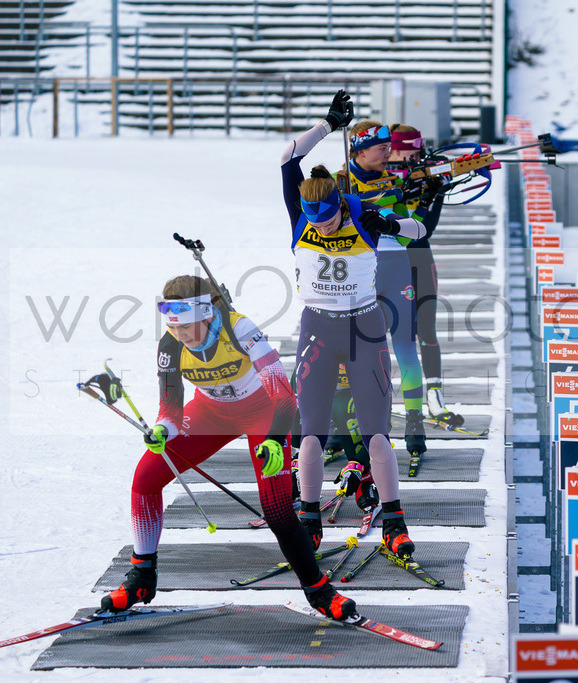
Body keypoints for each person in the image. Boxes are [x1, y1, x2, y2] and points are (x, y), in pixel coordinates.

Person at [100, 275, 355, 621]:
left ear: (207, 315)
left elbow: (283, 396)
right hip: (210, 414)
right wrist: (162, 429)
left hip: (263, 415)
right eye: (174, 327)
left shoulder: (240, 330)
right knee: (146, 476)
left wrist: (276, 441)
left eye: (188, 326)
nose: (182, 335)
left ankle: (318, 589)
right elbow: (171, 410)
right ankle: (142, 576)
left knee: (277, 508)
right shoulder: (169, 344)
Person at [281, 91, 425, 559]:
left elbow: (420, 234)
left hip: (364, 329)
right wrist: (327, 126)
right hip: (318, 329)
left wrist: (399, 219)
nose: (321, 228)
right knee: (311, 433)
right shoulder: (303, 210)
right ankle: (308, 515)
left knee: (377, 433)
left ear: (342, 206)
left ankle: (394, 521)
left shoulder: (361, 213)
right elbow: (290, 158)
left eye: (330, 219)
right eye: (314, 222)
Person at [346, 120, 429, 458]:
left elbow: (416, 232)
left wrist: (403, 215)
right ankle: (348, 422)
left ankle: (414, 421)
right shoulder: (340, 182)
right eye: (381, 149)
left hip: (395, 266)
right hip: (359, 269)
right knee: (356, 349)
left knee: (405, 346)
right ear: (361, 150)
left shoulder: (395, 181)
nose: (389, 154)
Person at [387, 125, 465, 428]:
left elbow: (425, 229)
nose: (412, 159)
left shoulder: (425, 175)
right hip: (385, 260)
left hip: (418, 257)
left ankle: (434, 398)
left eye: (416, 154)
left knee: (427, 330)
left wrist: (436, 192)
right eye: (407, 153)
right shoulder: (376, 178)